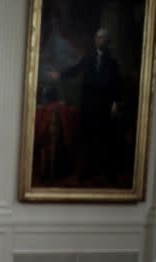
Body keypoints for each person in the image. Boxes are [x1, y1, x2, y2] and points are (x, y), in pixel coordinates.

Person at [50, 28, 121, 181]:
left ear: (107, 41)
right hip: (89, 104)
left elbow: (116, 84)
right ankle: (86, 171)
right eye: (97, 37)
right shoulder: (89, 57)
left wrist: (115, 102)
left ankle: (102, 171)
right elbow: (76, 69)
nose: (98, 40)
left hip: (103, 105)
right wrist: (60, 75)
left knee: (102, 138)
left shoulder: (112, 62)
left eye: (102, 38)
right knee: (86, 137)